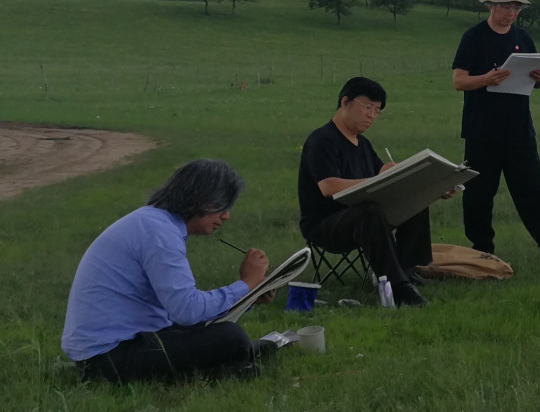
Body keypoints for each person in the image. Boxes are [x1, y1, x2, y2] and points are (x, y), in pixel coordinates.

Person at [62, 159, 271, 382]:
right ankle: (211, 372)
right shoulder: (159, 234)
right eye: (222, 205)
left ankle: (226, 365)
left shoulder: (155, 223)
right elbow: (187, 311)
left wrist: (248, 297)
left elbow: (177, 309)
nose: (226, 215)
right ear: (200, 198)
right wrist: (246, 284)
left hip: (113, 348)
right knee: (231, 337)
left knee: (220, 334)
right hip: (108, 358)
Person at [450, 0, 540, 260]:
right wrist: (487, 79)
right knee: (479, 195)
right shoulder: (473, 37)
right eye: (506, 6)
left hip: (519, 130)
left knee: (532, 191)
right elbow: (459, 81)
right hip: (482, 131)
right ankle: (482, 250)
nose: (512, 12)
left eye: (516, 7)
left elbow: (533, 82)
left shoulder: (523, 37)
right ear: (491, 6)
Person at [298, 76, 433, 307]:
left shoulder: (363, 145)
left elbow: (381, 173)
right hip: (326, 224)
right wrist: (376, 179)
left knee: (415, 201)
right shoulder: (322, 140)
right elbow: (328, 187)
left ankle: (407, 270)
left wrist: (430, 186)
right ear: (345, 102)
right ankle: (398, 287)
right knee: (368, 211)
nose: (372, 115)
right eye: (367, 107)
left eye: (377, 110)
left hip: (365, 219)